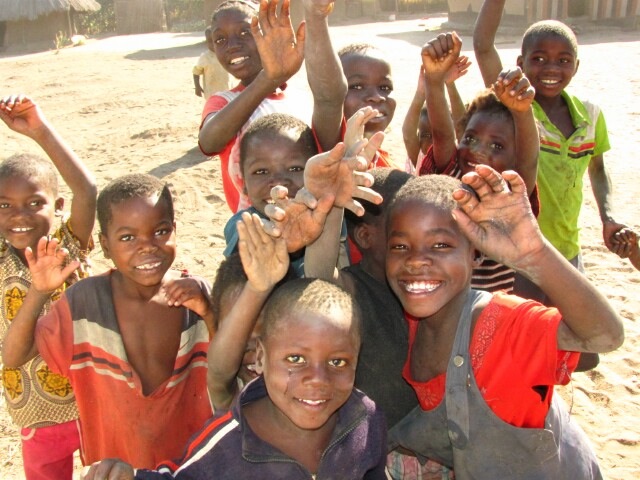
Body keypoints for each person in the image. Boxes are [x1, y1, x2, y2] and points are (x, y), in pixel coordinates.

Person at [384, 167, 624, 478]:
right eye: (400, 247)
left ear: (476, 253)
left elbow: (605, 336)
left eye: (441, 245)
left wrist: (535, 253)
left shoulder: (503, 323)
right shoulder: (412, 322)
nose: (415, 260)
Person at [1, 174, 214, 469]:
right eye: (127, 237)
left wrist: (210, 311)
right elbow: (14, 356)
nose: (147, 246)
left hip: (193, 461)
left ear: (175, 230)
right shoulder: (85, 303)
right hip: (117, 466)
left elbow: (233, 362)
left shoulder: (195, 295)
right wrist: (39, 292)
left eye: (161, 231)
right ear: (104, 245)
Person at [82, 278, 388, 480]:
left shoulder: (365, 419)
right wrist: (129, 476)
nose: (317, 379)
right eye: (295, 359)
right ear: (261, 358)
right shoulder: (228, 442)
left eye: (338, 362)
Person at [473, 0, 627, 280]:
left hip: (567, 251)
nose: (551, 69)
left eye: (563, 60)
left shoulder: (590, 115)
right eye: (539, 59)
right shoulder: (514, 108)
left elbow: (598, 169)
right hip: (518, 253)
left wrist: (608, 218)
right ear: (520, 64)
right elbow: (484, 47)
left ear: (576, 66)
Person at [0, 94, 96, 480]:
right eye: (4, 205)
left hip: (93, 399)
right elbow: (13, 356)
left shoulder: (69, 245)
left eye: (33, 203)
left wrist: (39, 131)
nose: (19, 215)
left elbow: (87, 191)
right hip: (35, 412)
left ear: (56, 206)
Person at [418, 31, 539, 294]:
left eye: (497, 146)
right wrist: (434, 81)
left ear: (514, 157)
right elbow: (441, 133)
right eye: (470, 138)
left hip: (489, 312)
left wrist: (522, 112)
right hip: (444, 303)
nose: (478, 151)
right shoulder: (451, 173)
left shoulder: (510, 195)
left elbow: (530, 160)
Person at [198, 0, 310, 213]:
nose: (232, 45)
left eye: (244, 33)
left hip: (304, 215)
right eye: (220, 39)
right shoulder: (223, 102)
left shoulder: (298, 98)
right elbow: (209, 142)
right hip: (253, 227)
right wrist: (268, 79)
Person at [208, 211, 290, 412]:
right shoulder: (232, 395)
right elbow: (219, 372)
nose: (254, 353)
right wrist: (257, 289)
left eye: (263, 338)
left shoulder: (305, 389)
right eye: (237, 334)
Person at [402, 57, 469, 174]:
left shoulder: (459, 157)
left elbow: (462, 127)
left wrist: (450, 84)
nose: (434, 142)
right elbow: (408, 134)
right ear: (418, 139)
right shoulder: (420, 159)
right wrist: (421, 93)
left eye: (440, 135)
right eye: (426, 135)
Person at [192, 26, 234, 100]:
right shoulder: (205, 57)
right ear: (206, 42)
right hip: (212, 93)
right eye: (210, 41)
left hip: (228, 90)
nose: (213, 44)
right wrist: (197, 86)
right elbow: (196, 72)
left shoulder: (228, 54)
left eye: (217, 40)